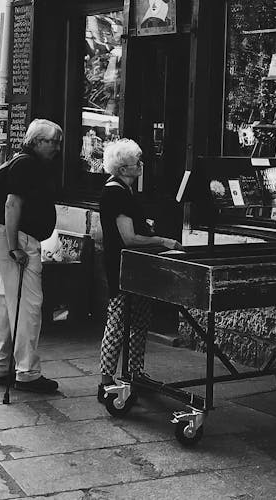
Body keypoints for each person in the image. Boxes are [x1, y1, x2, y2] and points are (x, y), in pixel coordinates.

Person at [96, 139, 180, 402]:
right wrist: (163, 241)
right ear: (122, 169)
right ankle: (106, 381)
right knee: (119, 320)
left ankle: (135, 372)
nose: (141, 165)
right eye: (136, 162)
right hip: (124, 266)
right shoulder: (116, 193)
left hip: (135, 266)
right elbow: (128, 238)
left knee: (140, 319)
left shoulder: (123, 190)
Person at [0, 119, 63, 394]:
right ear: (36, 141)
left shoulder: (25, 163)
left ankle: (1, 365)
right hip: (19, 239)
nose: (56, 147)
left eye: (58, 142)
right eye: (52, 141)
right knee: (28, 304)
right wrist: (14, 246)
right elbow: (12, 204)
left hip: (15, 238)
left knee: (5, 301)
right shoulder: (27, 165)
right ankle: (27, 371)